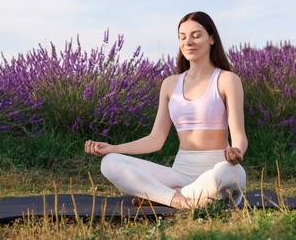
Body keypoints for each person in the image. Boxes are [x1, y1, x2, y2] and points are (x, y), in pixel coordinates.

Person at [84, 11, 247, 209]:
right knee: (110, 163)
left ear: (212, 39)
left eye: (196, 35)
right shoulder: (170, 84)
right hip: (178, 173)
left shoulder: (227, 80)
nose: (188, 42)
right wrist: (112, 148)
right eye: (182, 37)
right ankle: (179, 200)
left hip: (215, 169)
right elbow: (156, 139)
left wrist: (237, 151)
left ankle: (163, 195)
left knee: (232, 174)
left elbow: (239, 135)